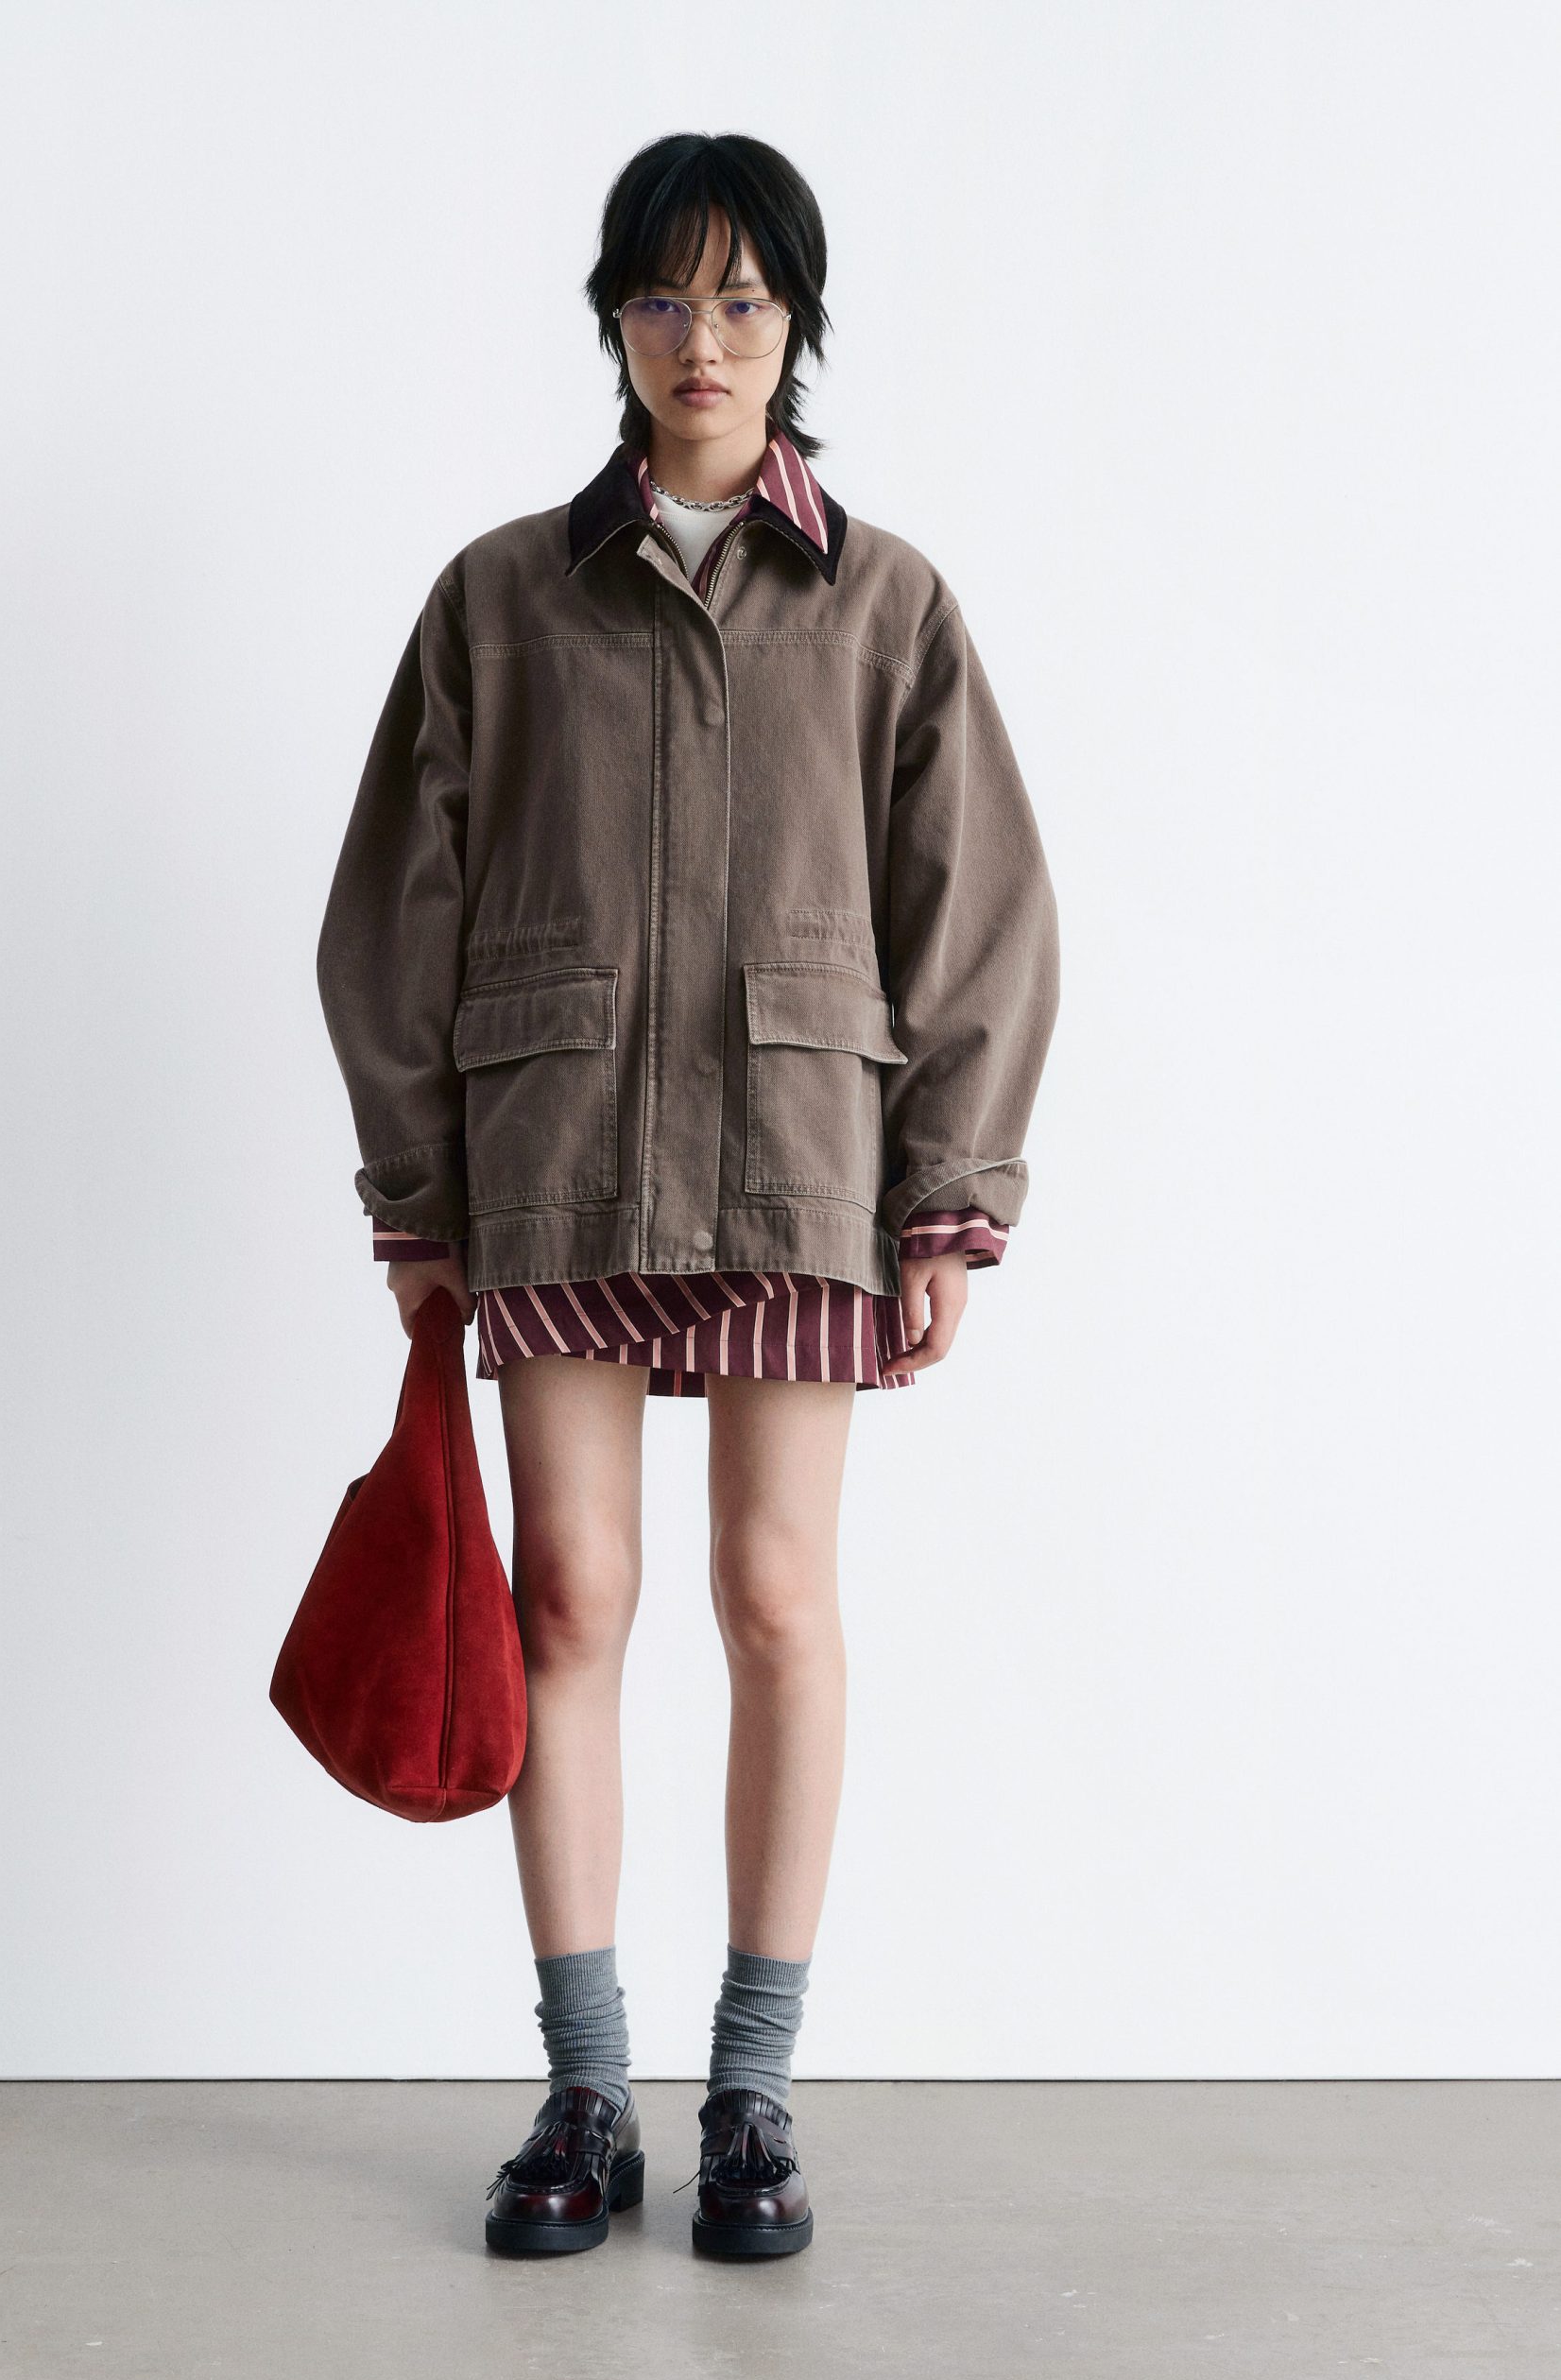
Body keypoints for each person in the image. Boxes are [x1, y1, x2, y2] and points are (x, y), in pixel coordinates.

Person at [315, 129, 1060, 2259]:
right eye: (662, 298)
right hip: (553, 1153)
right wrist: (420, 1190)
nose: (701, 338)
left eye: (741, 299)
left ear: (794, 322)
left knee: (774, 1596)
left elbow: (979, 910)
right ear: (615, 324)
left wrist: (951, 1192)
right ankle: (584, 2090)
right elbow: (389, 909)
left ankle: (750, 2097)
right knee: (568, 1598)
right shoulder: (499, 595)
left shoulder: (885, 599)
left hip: (800, 1151)